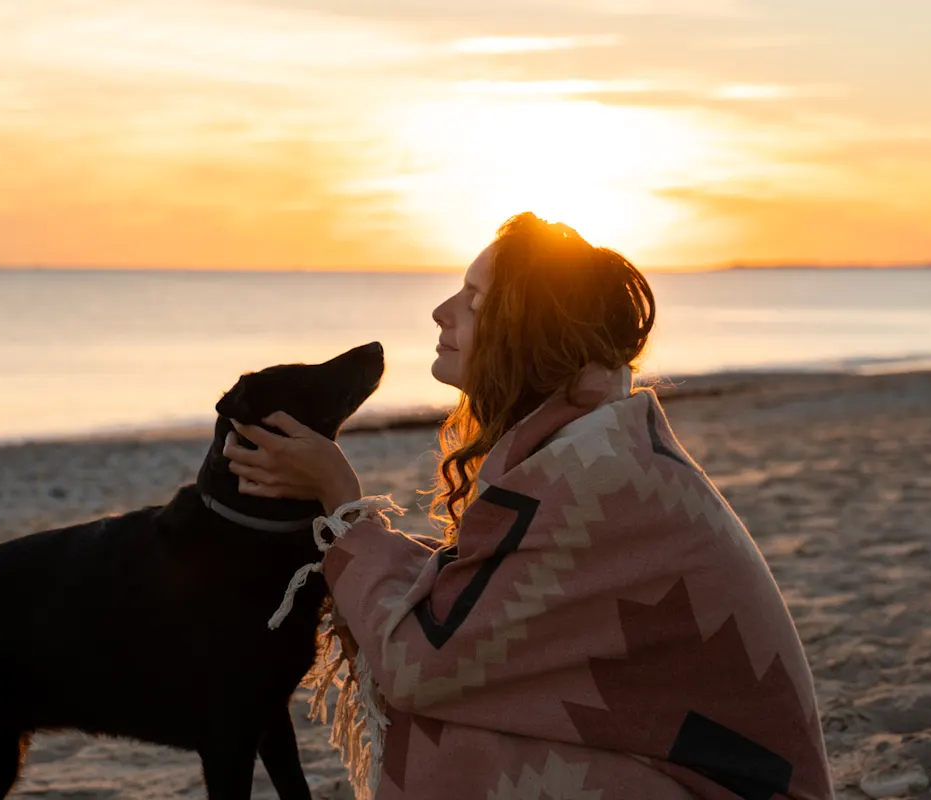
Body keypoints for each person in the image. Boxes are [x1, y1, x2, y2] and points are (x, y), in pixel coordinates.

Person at [224, 212, 834, 800]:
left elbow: (420, 667)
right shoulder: (599, 444)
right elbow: (474, 613)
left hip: (725, 789)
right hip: (701, 774)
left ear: (527, 329)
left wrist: (343, 505)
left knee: (450, 742)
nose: (441, 311)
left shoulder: (589, 474)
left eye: (473, 297)